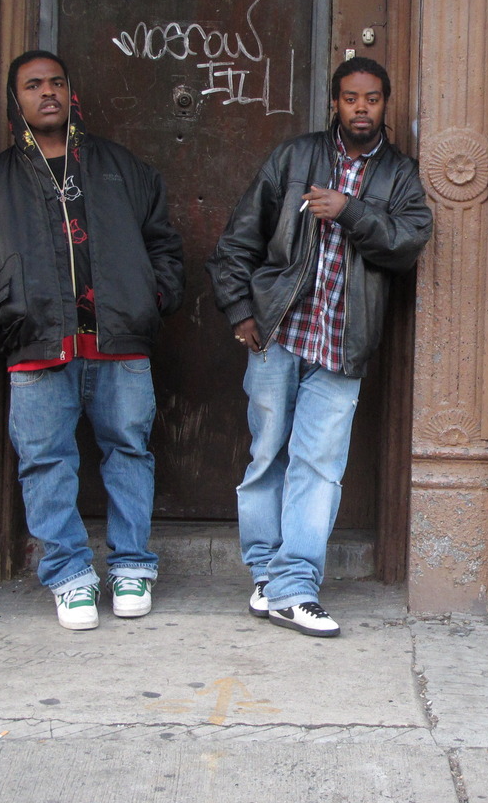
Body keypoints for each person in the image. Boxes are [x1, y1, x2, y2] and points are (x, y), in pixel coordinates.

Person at [0, 50, 184, 630]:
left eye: (57, 81)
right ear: (18, 101)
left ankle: (132, 566)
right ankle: (70, 576)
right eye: (33, 85)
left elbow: (164, 247)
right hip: (37, 349)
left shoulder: (120, 167)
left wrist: (148, 300)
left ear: (71, 92)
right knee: (44, 463)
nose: (47, 93)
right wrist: (1, 315)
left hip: (120, 347)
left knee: (129, 454)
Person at [206, 57, 432, 637]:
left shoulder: (400, 175)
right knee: (266, 458)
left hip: (341, 344)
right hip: (277, 334)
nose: (362, 108)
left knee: (319, 467)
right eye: (351, 98)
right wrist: (239, 312)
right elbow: (239, 238)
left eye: (373, 98)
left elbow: (409, 243)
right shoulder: (295, 157)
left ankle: (294, 584)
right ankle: (267, 575)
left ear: (386, 104)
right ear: (335, 102)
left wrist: (350, 210)